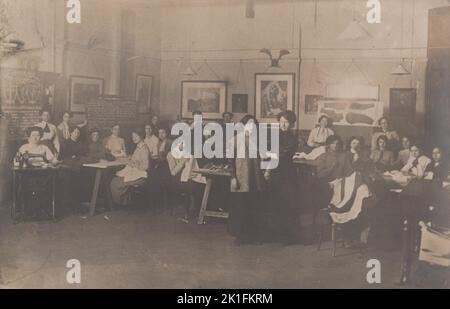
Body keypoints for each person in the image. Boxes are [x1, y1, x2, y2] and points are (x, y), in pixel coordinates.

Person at [228, 115, 266, 245]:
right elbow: (229, 161)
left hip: (255, 179)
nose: (252, 126)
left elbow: (263, 159)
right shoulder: (235, 140)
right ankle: (240, 236)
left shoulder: (258, 141)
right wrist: (233, 177)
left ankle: (253, 236)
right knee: (240, 208)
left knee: (254, 208)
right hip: (241, 178)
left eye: (254, 124)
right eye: (249, 124)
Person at [264, 111, 299, 244]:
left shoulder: (292, 137)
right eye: (282, 121)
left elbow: (281, 154)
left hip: (286, 172)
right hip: (275, 171)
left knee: (287, 202)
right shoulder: (274, 135)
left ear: (292, 124)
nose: (284, 124)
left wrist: (268, 169)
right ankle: (274, 234)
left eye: (287, 122)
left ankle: (287, 235)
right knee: (274, 201)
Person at [166, 141, 205, 222]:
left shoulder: (185, 152)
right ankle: (189, 214)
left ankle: (199, 213)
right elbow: (173, 172)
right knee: (192, 186)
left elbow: (191, 167)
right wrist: (183, 161)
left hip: (186, 178)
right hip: (176, 180)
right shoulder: (170, 154)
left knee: (200, 185)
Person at [110, 129, 150, 207]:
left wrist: (132, 164)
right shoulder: (138, 147)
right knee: (115, 179)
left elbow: (146, 166)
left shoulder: (143, 148)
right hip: (135, 172)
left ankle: (122, 204)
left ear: (141, 136)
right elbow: (135, 158)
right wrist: (128, 159)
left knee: (114, 182)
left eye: (136, 136)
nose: (133, 138)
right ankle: (124, 202)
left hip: (141, 175)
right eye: (132, 137)